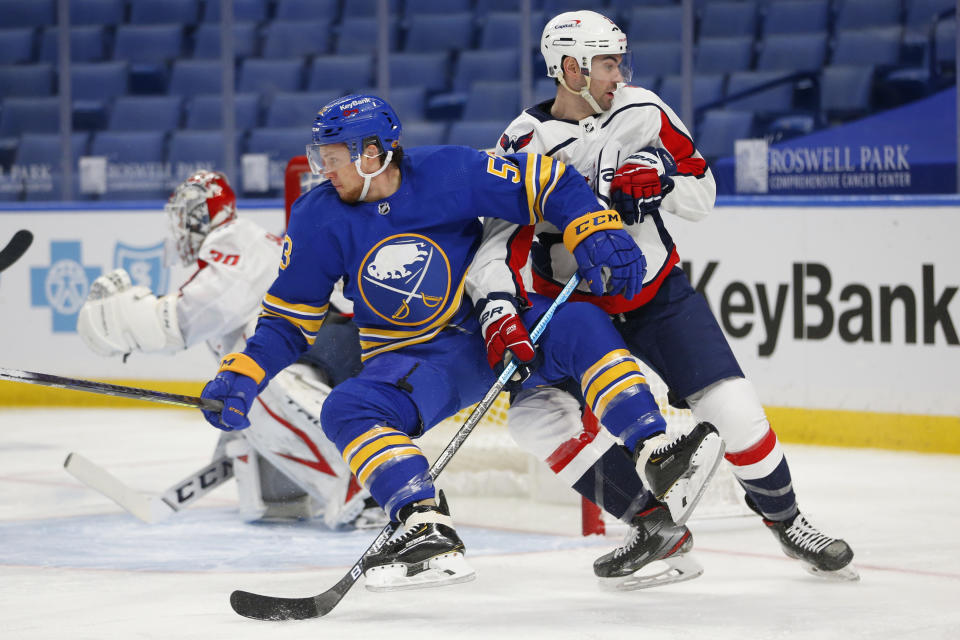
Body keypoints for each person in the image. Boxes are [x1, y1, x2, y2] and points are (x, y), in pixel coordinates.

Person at [197, 94, 723, 592]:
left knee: (577, 324)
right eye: (320, 157)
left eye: (332, 158)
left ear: (374, 153)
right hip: (416, 363)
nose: (322, 170)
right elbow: (289, 320)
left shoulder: (447, 169)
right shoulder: (317, 217)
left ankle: (655, 453)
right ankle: (423, 527)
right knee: (347, 406)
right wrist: (244, 373)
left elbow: (546, 180)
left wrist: (591, 226)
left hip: (494, 328)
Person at [472, 9, 857, 582]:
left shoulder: (644, 110)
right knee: (534, 419)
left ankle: (789, 521)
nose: (617, 74)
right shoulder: (524, 143)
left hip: (656, 290)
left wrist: (663, 180)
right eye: (606, 63)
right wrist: (499, 306)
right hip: (578, 307)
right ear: (570, 68)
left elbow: (703, 193)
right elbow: (496, 245)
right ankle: (653, 526)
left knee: (733, 411)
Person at [77, 170, 383, 529]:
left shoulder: (236, 242)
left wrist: (116, 314)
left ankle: (364, 484)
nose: (176, 229)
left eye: (181, 217)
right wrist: (232, 444)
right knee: (245, 379)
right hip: (324, 344)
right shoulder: (239, 245)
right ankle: (287, 497)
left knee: (259, 378)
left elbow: (182, 321)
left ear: (198, 216)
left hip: (335, 341)